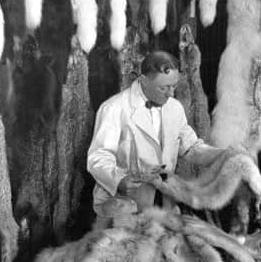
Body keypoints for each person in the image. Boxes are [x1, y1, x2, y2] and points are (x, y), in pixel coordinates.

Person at [87, 51, 213, 224]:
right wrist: (120, 180)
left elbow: (191, 147)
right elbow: (98, 157)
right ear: (144, 80)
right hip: (124, 206)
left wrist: (223, 156)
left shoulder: (175, 108)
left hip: (164, 202)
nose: (171, 93)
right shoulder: (114, 108)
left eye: (174, 86)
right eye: (164, 87)